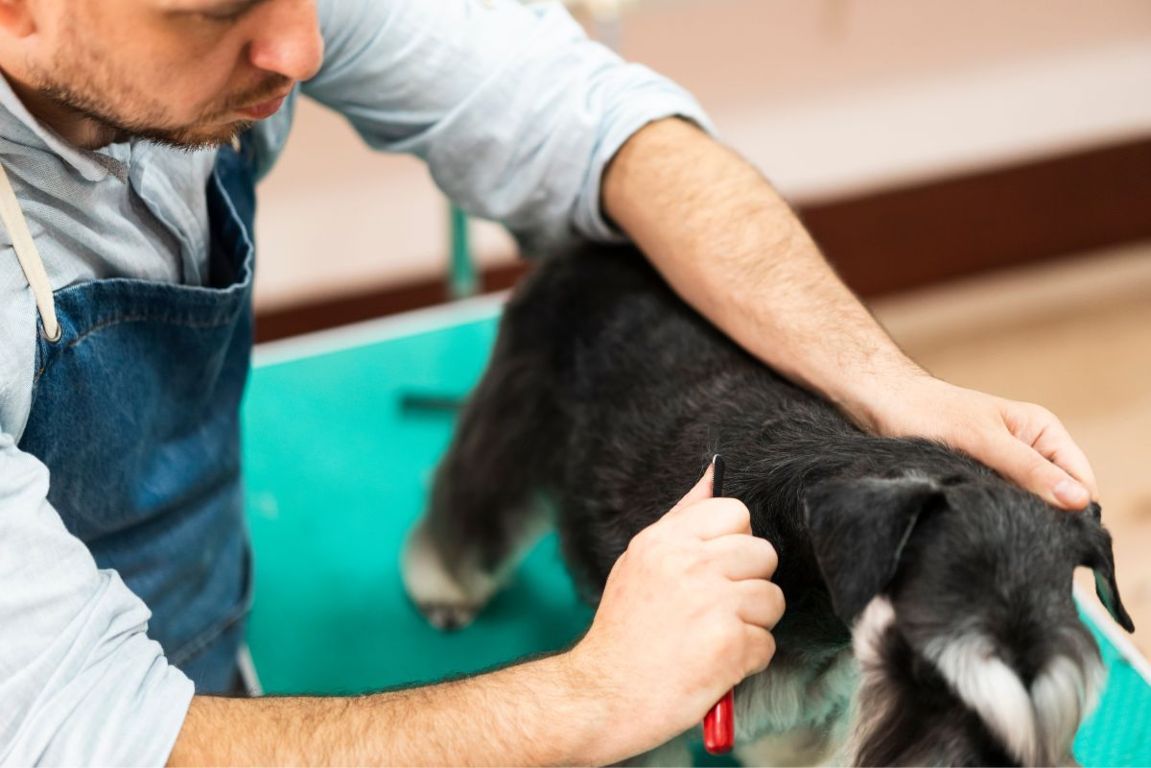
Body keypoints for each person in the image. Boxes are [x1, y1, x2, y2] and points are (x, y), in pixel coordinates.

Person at [0, 0, 1097, 764]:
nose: (302, 43)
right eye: (213, 8)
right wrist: (591, 696)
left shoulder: (242, 27)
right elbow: (84, 735)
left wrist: (882, 386)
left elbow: (577, 119)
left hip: (196, 624)